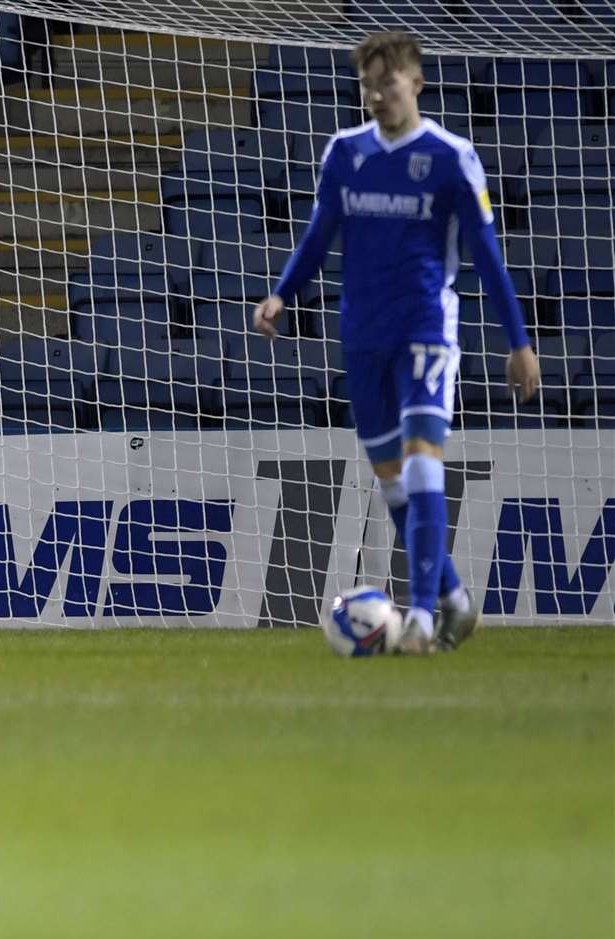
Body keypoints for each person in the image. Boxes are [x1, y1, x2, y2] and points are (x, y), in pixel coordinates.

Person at [252, 30, 540, 654]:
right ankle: (456, 600)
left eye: (386, 83)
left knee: (420, 463)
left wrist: (518, 342)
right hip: (362, 335)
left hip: (426, 329)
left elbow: (487, 258)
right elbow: (318, 234)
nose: (376, 95)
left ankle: (420, 617)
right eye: (366, 85)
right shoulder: (345, 153)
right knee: (393, 484)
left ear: (416, 82)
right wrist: (282, 292)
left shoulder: (449, 157)